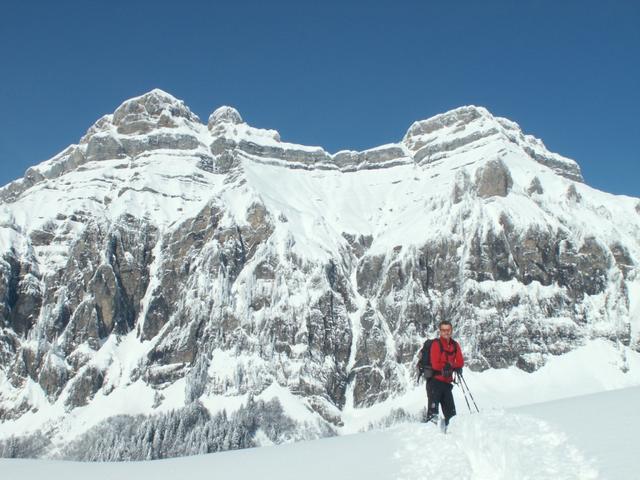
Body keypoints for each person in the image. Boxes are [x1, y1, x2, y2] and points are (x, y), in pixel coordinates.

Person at [425, 320, 464, 431]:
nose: (446, 332)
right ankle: (429, 441)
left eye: (448, 330)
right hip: (434, 383)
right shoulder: (436, 344)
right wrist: (449, 366)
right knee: (433, 416)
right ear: (440, 331)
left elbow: (460, 362)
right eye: (443, 330)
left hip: (447, 384)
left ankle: (451, 439)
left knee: (451, 417)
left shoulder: (455, 345)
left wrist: (450, 365)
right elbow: (435, 364)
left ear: (451, 331)